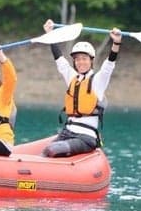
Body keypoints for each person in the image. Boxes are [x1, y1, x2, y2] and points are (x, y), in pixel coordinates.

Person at [40, 19, 122, 157]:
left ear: (91, 60)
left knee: (52, 150)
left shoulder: (98, 80)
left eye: (84, 58)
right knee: (45, 152)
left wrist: (116, 42)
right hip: (67, 132)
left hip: (86, 137)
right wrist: (50, 34)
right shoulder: (72, 77)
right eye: (77, 59)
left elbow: (109, 64)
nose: (80, 62)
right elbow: (59, 59)